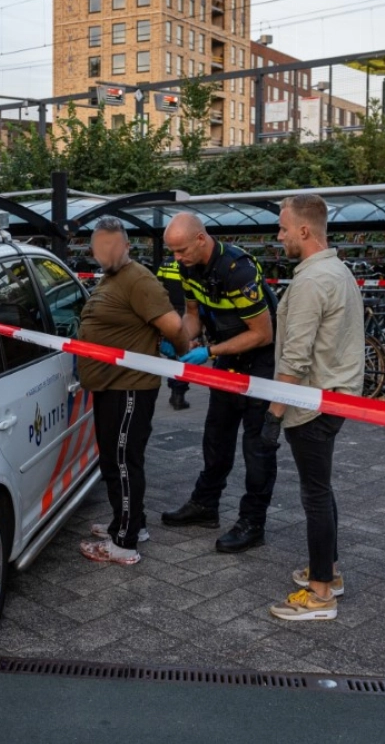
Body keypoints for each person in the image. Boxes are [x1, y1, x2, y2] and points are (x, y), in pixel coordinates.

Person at [264, 194, 365, 622]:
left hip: (312, 404)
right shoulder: (338, 270)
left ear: (304, 230)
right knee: (321, 489)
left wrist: (273, 414)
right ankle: (329, 572)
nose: (279, 236)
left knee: (315, 495)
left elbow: (295, 358)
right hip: (334, 397)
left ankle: (321, 595)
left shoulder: (311, 281)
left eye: (284, 228)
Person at [159, 212, 278, 555]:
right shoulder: (187, 267)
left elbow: (263, 334)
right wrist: (180, 340)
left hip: (260, 362)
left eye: (181, 250)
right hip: (227, 356)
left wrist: (209, 352)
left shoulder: (238, 270)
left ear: (201, 239)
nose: (176, 258)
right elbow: (193, 315)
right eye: (172, 251)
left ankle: (252, 523)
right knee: (216, 436)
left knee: (257, 447)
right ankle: (205, 505)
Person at [77, 217, 189, 566]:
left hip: (129, 388)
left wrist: (181, 351)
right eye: (101, 246)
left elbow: (174, 327)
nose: (107, 252)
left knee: (124, 463)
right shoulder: (111, 278)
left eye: (113, 245)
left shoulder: (138, 279)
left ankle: (124, 543)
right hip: (110, 386)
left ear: (126, 245)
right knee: (113, 462)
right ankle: (128, 523)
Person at [156, 258, 191, 410]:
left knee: (172, 354)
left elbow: (158, 288)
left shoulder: (165, 263)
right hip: (188, 311)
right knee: (185, 354)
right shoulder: (191, 263)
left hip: (169, 311)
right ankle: (179, 394)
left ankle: (174, 391)